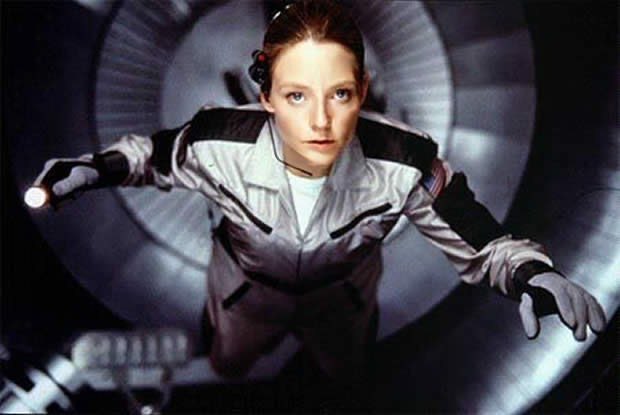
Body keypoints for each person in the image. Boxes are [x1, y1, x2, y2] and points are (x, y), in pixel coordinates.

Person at [31, 0, 605, 386]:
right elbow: (152, 156)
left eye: (340, 94)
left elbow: (477, 234)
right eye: (297, 96)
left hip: (345, 300)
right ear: (266, 99)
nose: (321, 122)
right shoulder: (216, 140)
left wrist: (530, 274)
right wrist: (92, 170)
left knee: (344, 369)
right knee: (231, 361)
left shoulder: (404, 160)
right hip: (242, 294)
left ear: (363, 90)